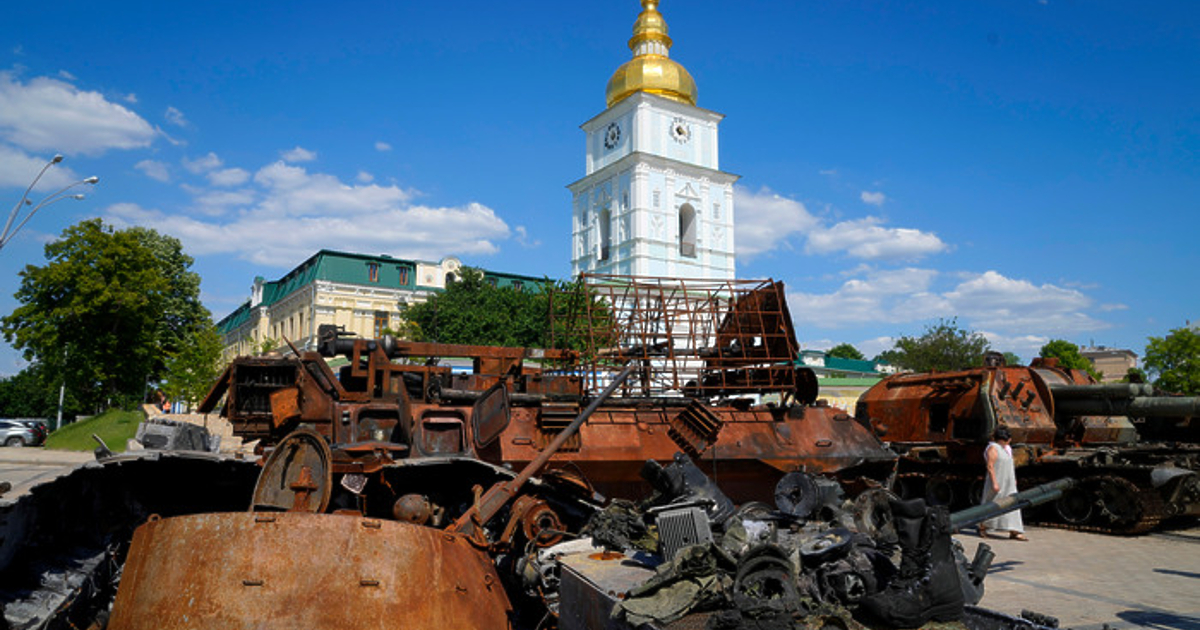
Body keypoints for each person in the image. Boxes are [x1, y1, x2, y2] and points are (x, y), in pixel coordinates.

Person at [978, 426, 1027, 540]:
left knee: (1013, 503)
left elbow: (1010, 464)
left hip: (1008, 482)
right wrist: (994, 483)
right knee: (991, 503)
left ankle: (1015, 530)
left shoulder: (1007, 448)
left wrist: (1013, 478)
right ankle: (983, 527)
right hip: (997, 480)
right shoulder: (993, 448)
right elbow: (990, 466)